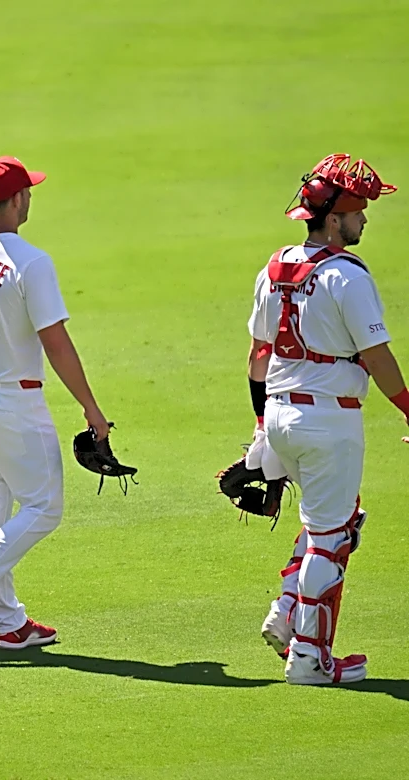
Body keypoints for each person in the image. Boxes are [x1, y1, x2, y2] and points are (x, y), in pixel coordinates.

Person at [0, 156, 110, 654]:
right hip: (12, 402)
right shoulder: (30, 261)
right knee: (44, 507)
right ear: (14, 201)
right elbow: (56, 343)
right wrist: (92, 410)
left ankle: (9, 622)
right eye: (27, 192)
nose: (30, 197)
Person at [246, 154, 406, 684]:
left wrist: (259, 425)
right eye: (359, 209)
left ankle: (288, 609)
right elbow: (377, 357)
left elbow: (257, 356)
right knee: (331, 536)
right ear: (333, 218)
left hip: (279, 415)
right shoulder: (346, 276)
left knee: (334, 520)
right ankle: (311, 657)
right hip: (328, 424)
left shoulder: (274, 267)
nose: (364, 218)